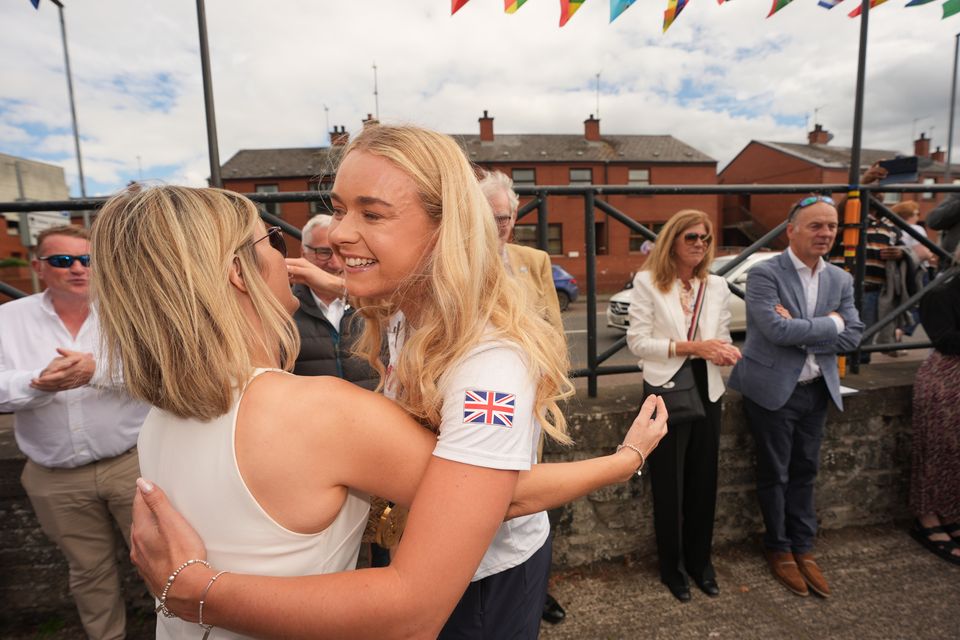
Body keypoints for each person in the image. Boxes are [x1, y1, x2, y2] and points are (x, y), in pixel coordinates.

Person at [91, 132, 667, 639]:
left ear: (447, 229)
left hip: (483, 576)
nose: (336, 234)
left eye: (372, 213)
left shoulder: (487, 363)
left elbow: (494, 502)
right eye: (339, 209)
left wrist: (626, 459)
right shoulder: (394, 318)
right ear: (236, 274)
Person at [0, 225, 149, 639]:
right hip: (55, 475)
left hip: (131, 464)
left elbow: (154, 371)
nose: (78, 269)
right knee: (88, 571)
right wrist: (36, 382)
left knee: (160, 562)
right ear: (38, 267)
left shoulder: (128, 311)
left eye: (87, 260)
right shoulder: (7, 319)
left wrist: (95, 372)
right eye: (63, 261)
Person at [729, 195, 864, 598]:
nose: (825, 233)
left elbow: (854, 335)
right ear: (792, 230)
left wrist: (812, 324)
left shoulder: (840, 279)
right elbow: (775, 331)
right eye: (816, 226)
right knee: (776, 472)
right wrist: (831, 323)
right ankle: (779, 547)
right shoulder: (765, 274)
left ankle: (803, 545)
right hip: (772, 391)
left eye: (831, 227)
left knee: (805, 470)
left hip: (816, 390)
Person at [625, 209, 742, 602]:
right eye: (691, 237)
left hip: (707, 389)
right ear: (672, 240)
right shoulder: (648, 282)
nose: (700, 245)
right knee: (669, 485)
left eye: (706, 238)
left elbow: (720, 334)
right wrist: (693, 347)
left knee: (703, 482)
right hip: (665, 390)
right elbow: (637, 343)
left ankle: (700, 562)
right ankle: (671, 568)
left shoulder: (718, 286)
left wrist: (724, 352)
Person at [478, 168, 566, 624]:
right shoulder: (460, 263)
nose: (501, 226)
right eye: (491, 218)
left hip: (532, 401)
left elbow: (553, 328)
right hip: (487, 401)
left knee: (531, 496)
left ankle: (536, 582)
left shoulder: (534, 260)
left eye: (507, 217)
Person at [908, 250, 960, 565]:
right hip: (946, 383)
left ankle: (950, 515)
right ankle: (927, 521)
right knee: (936, 454)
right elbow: (944, 339)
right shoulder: (942, 291)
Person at [286, 213, 377, 387]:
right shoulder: (285, 309)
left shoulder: (374, 305)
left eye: (341, 252)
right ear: (303, 253)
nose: (335, 263)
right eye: (324, 252)